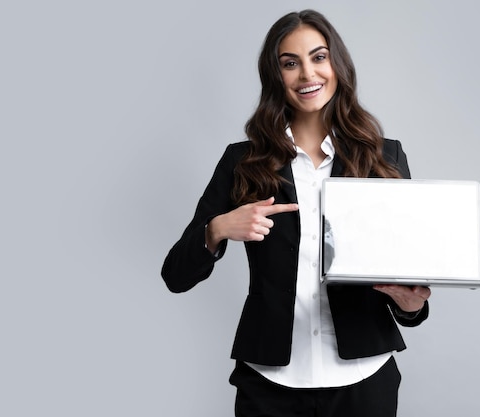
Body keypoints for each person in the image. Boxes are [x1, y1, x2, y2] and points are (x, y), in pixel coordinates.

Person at [161, 9, 431, 417]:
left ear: (337, 65)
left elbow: (408, 287)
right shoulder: (243, 162)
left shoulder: (383, 157)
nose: (308, 74)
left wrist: (411, 306)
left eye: (319, 57)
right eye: (290, 63)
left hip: (364, 380)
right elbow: (175, 276)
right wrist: (217, 229)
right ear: (276, 76)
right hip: (270, 384)